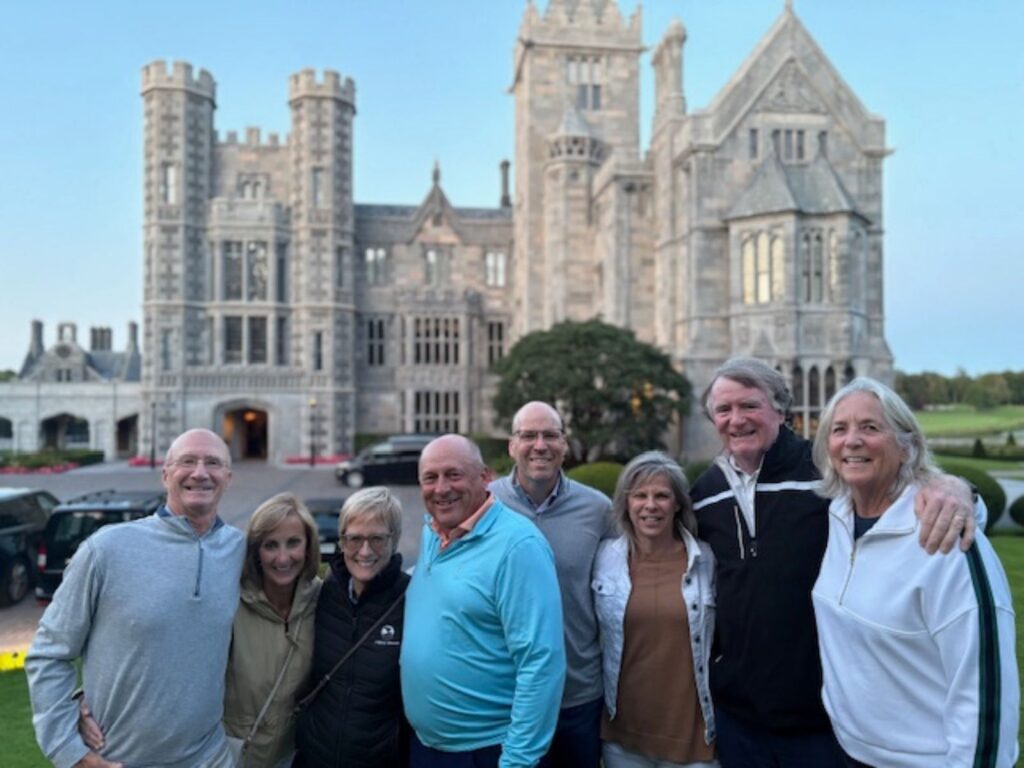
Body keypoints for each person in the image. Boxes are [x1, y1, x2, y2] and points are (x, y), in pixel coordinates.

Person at [689, 357, 977, 767]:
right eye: (724, 409)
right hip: (739, 718)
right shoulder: (705, 492)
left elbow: (903, 493)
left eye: (750, 405)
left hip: (823, 720)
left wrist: (957, 489)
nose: (736, 419)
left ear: (780, 410)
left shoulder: (826, 472)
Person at [810, 377, 1019, 767]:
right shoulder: (837, 516)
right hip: (846, 749)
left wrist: (959, 489)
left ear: (907, 446)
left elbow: (985, 696)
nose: (852, 441)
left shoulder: (946, 537)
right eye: (839, 429)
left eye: (870, 427)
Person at [27, 428, 245, 768]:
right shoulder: (106, 549)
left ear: (227, 478)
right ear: (165, 475)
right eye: (187, 461)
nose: (200, 473)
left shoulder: (240, 550)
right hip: (119, 760)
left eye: (213, 463)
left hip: (210, 758)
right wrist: (70, 751)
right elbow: (49, 653)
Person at [401, 434, 566, 768]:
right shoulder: (433, 531)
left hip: (489, 750)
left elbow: (541, 662)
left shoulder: (518, 547)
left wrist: (517, 760)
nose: (441, 488)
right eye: (430, 478)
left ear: (485, 477)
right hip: (426, 747)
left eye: (454, 475)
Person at [489, 401, 615, 768]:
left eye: (550, 435)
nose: (540, 445)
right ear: (512, 445)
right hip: (505, 696)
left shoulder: (598, 509)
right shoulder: (484, 505)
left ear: (564, 443)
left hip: (577, 697)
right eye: (529, 436)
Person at [593, 451, 717, 768]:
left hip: (693, 738)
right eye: (640, 496)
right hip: (624, 738)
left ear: (677, 504)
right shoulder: (604, 559)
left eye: (661, 495)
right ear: (626, 502)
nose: (650, 505)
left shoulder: (705, 560)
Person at [294, 486, 410, 768]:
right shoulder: (324, 593)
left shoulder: (412, 600)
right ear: (342, 541)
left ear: (394, 540)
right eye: (355, 539)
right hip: (315, 758)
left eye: (377, 539)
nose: (365, 551)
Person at [222, 493, 321, 767]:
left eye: (293, 543)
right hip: (233, 757)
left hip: (290, 757)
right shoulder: (230, 603)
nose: (283, 558)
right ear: (255, 551)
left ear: (309, 546)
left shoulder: (322, 600)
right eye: (270, 545)